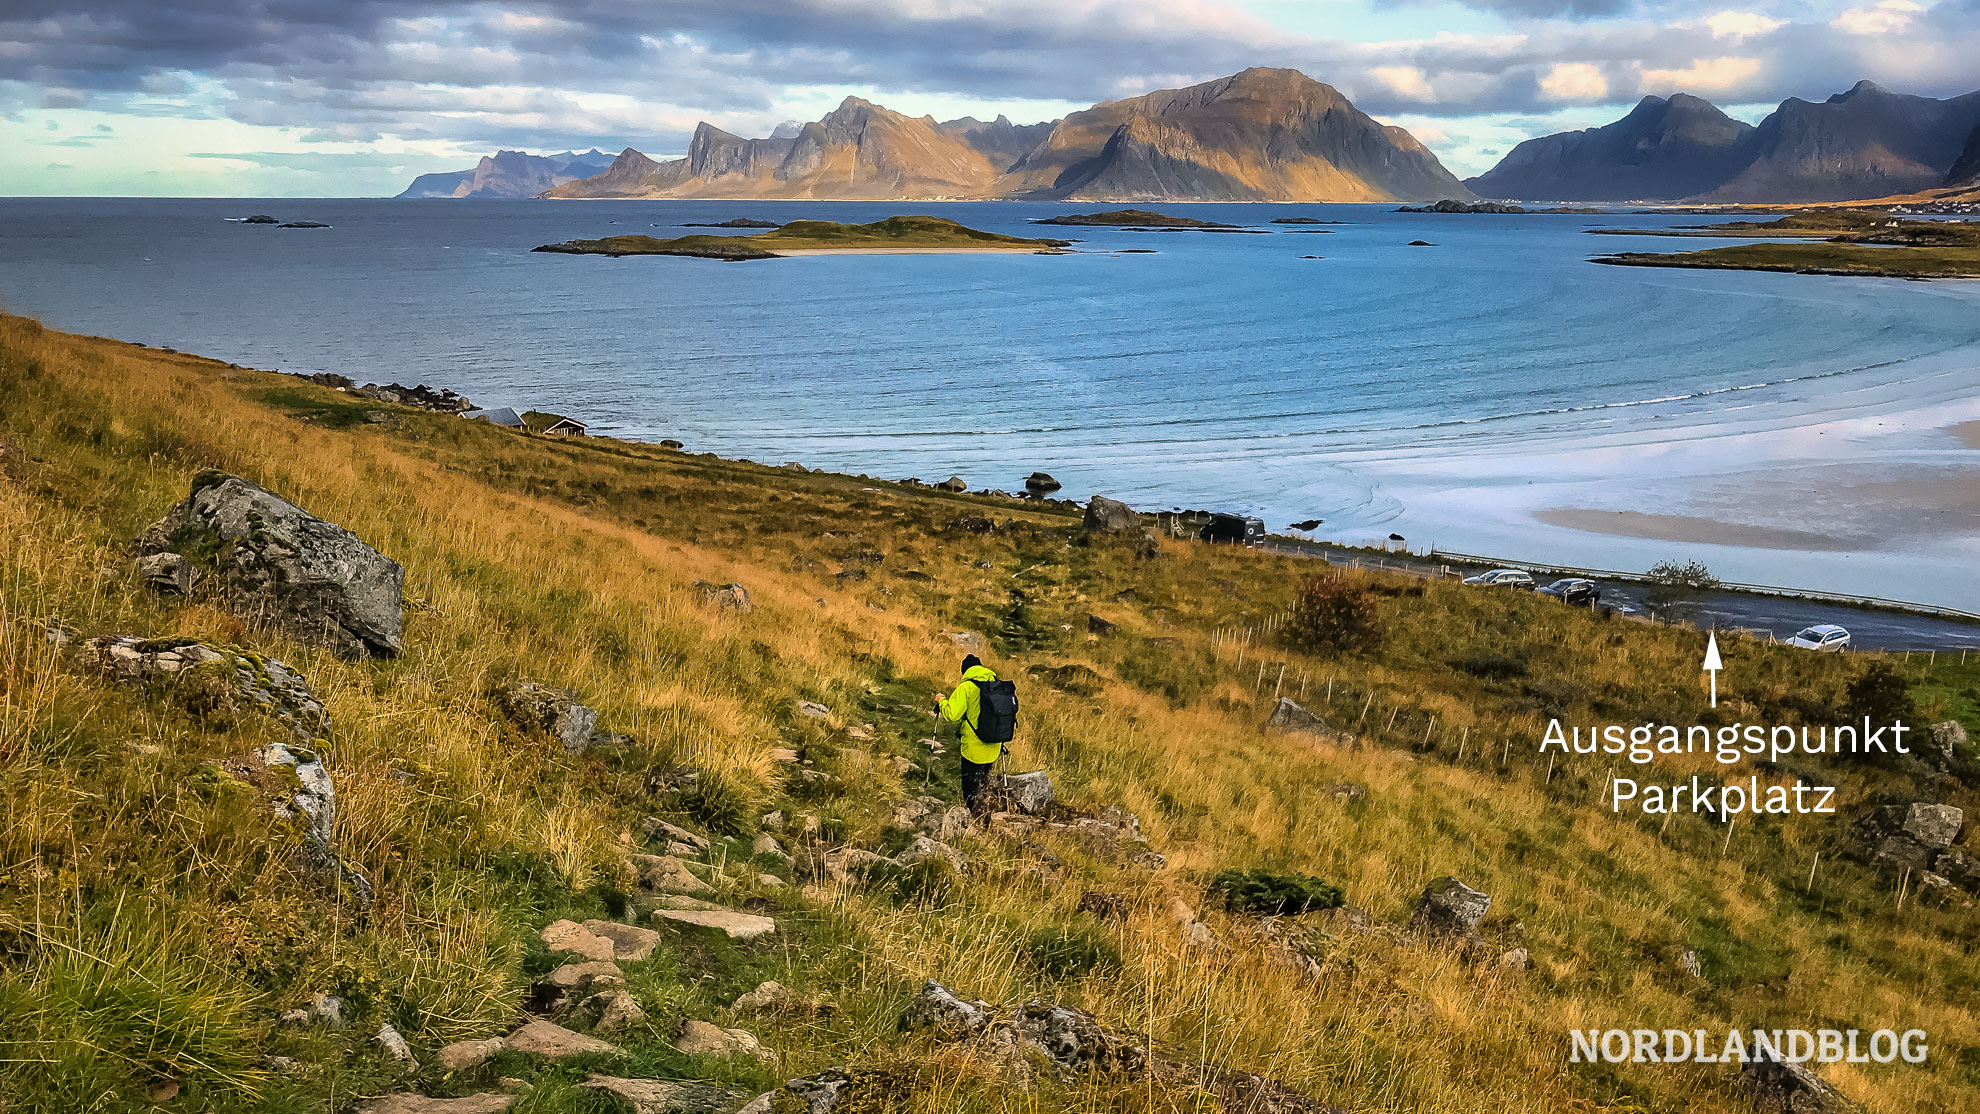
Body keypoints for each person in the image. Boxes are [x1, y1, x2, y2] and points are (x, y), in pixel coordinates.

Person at [934, 654, 1004, 815]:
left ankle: (977, 822)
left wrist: (942, 700)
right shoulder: (996, 683)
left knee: (970, 788)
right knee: (983, 783)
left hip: (973, 747)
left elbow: (952, 714)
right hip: (994, 745)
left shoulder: (966, 687)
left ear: (965, 671)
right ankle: (985, 814)